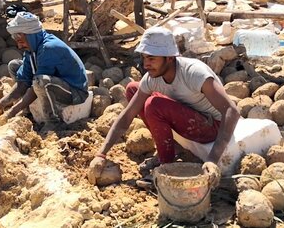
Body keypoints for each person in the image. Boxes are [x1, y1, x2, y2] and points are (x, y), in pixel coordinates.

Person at [88, 27, 240, 188]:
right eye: (144, 58)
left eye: (152, 58)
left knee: (154, 105)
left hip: (211, 127)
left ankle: (166, 167)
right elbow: (127, 116)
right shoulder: (152, 78)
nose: (146, 64)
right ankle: (172, 148)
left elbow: (232, 111)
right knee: (133, 89)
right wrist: (101, 153)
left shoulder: (194, 73)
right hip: (187, 115)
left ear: (169, 58)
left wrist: (212, 160)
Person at [0, 12, 89, 131]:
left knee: (40, 82)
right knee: (15, 66)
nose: (19, 46)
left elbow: (36, 86)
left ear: (30, 36)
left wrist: (11, 112)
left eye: (21, 41)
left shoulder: (49, 48)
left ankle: (54, 122)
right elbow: (23, 82)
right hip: (57, 84)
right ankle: (26, 111)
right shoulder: (32, 48)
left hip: (75, 93)